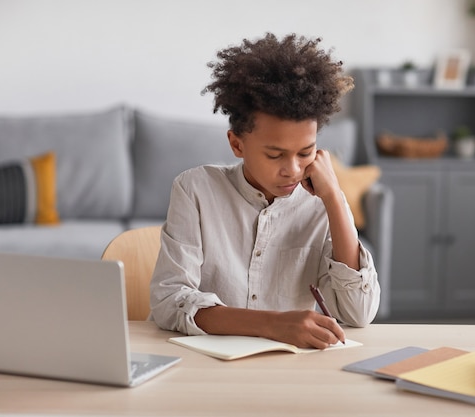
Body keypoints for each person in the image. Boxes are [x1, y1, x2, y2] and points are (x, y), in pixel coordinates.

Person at [150, 33, 380, 349]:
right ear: (236, 144)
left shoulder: (321, 203)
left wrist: (336, 199)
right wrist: (272, 324)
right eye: (275, 155)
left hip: (288, 373)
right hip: (205, 369)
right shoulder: (196, 190)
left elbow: (358, 312)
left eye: (305, 152)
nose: (293, 170)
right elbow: (169, 301)